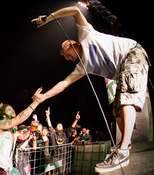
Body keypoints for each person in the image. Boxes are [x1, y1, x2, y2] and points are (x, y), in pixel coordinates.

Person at [31, 6, 149, 173]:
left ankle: (122, 152)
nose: (66, 58)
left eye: (66, 53)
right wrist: (43, 97)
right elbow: (64, 84)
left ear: (73, 44)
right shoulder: (82, 66)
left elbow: (74, 11)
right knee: (116, 109)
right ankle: (126, 143)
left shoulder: (86, 35)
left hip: (132, 54)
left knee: (125, 99)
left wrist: (48, 18)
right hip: (122, 68)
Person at [0, 88, 43, 175]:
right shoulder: (0, 124)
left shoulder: (13, 130)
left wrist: (31, 129)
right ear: (4, 116)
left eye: (12, 109)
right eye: (9, 109)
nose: (12, 110)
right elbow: (19, 118)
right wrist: (35, 102)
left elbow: (23, 136)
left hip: (5, 168)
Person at [45, 108, 80, 174]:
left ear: (63, 128)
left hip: (62, 158)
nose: (59, 125)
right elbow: (50, 126)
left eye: (61, 125)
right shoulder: (53, 134)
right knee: (53, 173)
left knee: (62, 173)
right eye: (58, 125)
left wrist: (76, 120)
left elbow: (71, 128)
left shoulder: (65, 135)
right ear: (55, 128)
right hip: (54, 157)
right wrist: (47, 116)